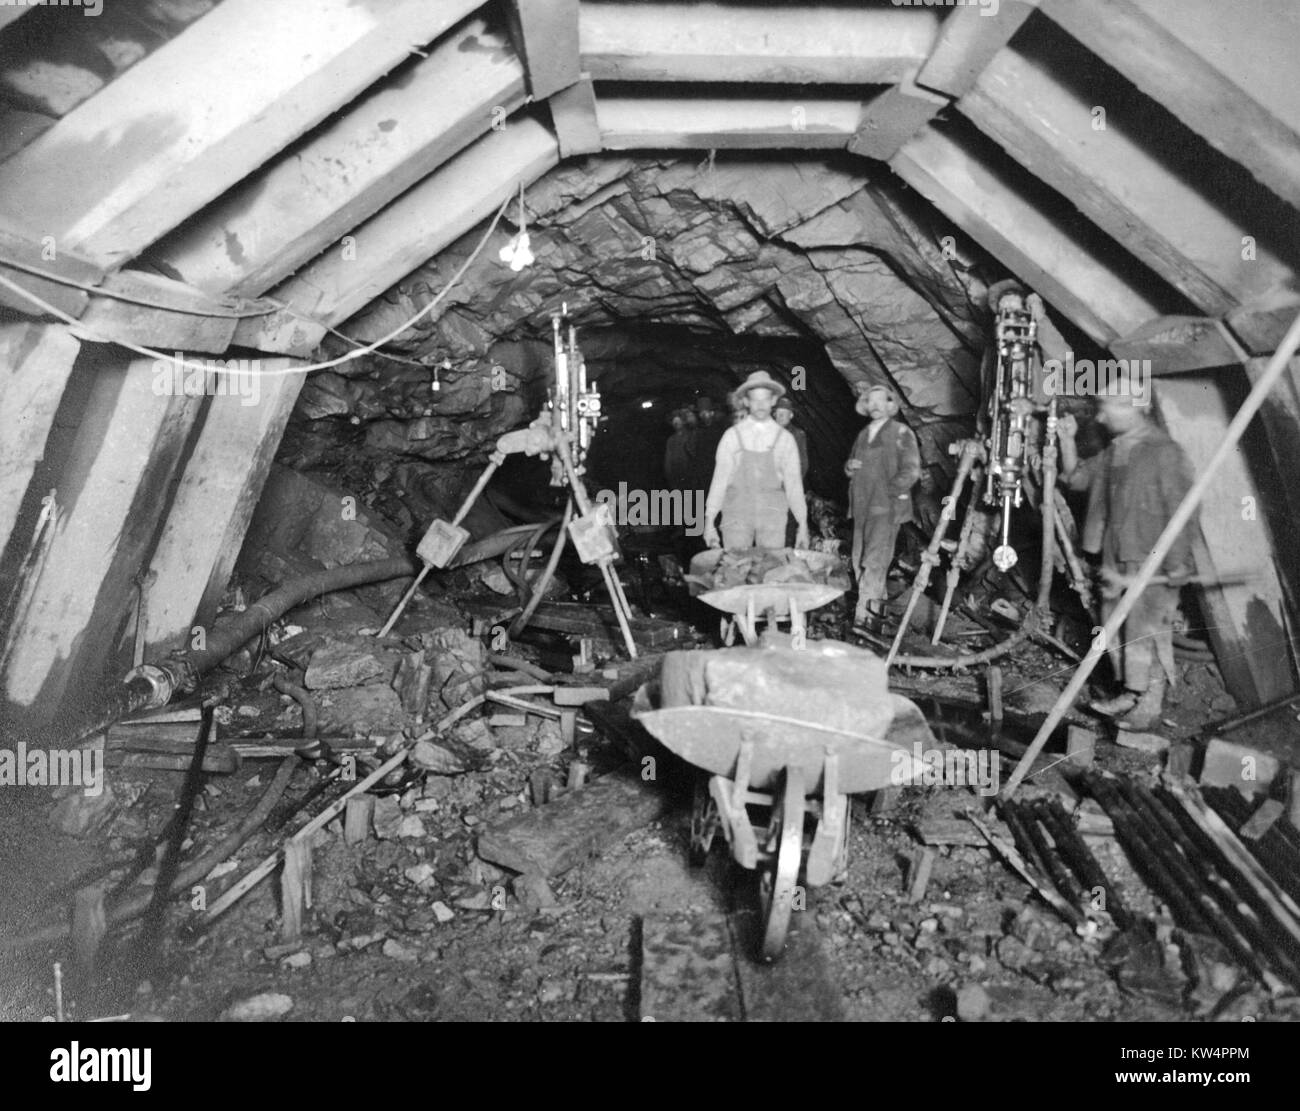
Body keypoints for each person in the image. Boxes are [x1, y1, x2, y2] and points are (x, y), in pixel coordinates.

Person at [1057, 394, 1196, 730]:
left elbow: (1183, 512)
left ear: (1136, 409)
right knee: (1114, 628)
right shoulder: (1115, 451)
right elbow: (1076, 477)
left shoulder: (1165, 453)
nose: (1102, 419)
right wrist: (1066, 440)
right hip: (1112, 555)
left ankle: (1146, 706)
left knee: (1146, 630)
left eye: (1109, 410)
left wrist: (1176, 564)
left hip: (1149, 558)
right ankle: (1129, 691)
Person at [844, 383, 921, 634]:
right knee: (858, 560)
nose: (875, 405)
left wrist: (887, 494)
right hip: (861, 507)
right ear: (866, 407)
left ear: (890, 405)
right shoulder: (863, 434)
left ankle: (862, 620)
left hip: (885, 508)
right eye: (871, 401)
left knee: (874, 562)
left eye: (881, 400)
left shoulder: (901, 432)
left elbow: (911, 470)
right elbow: (852, 467)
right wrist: (849, 467)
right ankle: (877, 614)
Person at [703, 372, 809, 550]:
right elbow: (719, 481)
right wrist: (709, 521)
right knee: (734, 570)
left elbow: (794, 485)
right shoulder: (732, 437)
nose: (760, 405)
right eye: (755, 399)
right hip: (736, 516)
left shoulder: (785, 439)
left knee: (771, 571)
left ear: (773, 400)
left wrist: (803, 525)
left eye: (765, 399)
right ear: (746, 401)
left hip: (772, 518)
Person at [774, 395, 809, 547]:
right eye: (777, 412)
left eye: (784, 413)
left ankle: (785, 563)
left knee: (787, 529)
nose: (780, 416)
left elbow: (803, 465)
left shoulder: (797, 435)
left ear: (791, 415)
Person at [663, 407, 694, 491]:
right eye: (674, 421)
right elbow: (668, 462)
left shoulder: (691, 436)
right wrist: (671, 479)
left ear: (683, 421)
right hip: (677, 479)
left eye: (678, 420)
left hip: (691, 479)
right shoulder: (671, 440)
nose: (676, 423)